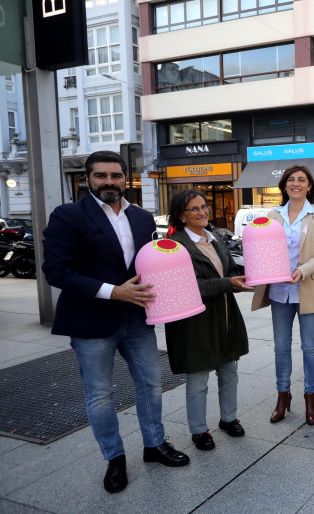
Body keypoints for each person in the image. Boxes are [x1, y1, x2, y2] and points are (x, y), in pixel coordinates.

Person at [42, 151, 189, 494]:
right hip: (90, 320)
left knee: (151, 384)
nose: (109, 181)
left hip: (137, 318)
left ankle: (154, 446)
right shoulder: (67, 216)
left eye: (116, 175)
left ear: (127, 177)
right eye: (101, 176)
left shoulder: (141, 216)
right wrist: (112, 292)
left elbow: (147, 264)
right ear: (87, 179)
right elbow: (56, 270)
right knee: (101, 396)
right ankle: (115, 459)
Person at [165, 189, 252, 451]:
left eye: (204, 206)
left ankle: (228, 419)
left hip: (225, 315)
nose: (203, 212)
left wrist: (242, 280)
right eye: (195, 208)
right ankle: (199, 430)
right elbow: (188, 286)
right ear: (181, 214)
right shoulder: (176, 245)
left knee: (229, 372)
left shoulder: (214, 238)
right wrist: (229, 282)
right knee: (198, 379)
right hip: (195, 322)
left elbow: (231, 271)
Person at [252, 165, 314, 425]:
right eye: (291, 180)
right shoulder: (272, 215)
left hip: (308, 287)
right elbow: (262, 249)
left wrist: (302, 270)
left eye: (301, 180)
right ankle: (282, 396)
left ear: (310, 186)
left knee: (309, 347)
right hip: (279, 291)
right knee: (281, 347)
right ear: (284, 185)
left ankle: (310, 397)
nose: (296, 183)